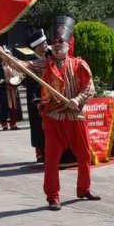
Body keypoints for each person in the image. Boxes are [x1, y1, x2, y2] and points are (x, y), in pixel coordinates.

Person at [41, 16, 99, 211]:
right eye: (54, 42)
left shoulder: (78, 64)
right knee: (51, 160)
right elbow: (23, 66)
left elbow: (90, 88)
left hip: (76, 117)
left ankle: (84, 189)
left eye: (61, 41)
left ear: (68, 43)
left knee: (84, 156)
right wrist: (3, 54)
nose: (57, 45)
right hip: (54, 119)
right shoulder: (44, 65)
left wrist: (77, 99)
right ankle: (52, 197)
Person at [23, 30, 49, 161]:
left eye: (46, 43)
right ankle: (40, 152)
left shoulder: (49, 58)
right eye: (43, 43)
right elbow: (30, 84)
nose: (46, 45)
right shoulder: (31, 61)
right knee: (38, 125)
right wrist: (36, 100)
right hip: (37, 98)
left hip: (49, 96)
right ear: (37, 46)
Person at [0, 51, 22, 131]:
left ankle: (13, 124)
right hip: (3, 90)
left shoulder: (14, 66)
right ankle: (4, 124)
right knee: (3, 107)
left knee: (14, 107)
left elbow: (19, 76)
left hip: (13, 89)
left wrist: (17, 81)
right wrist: (4, 81)